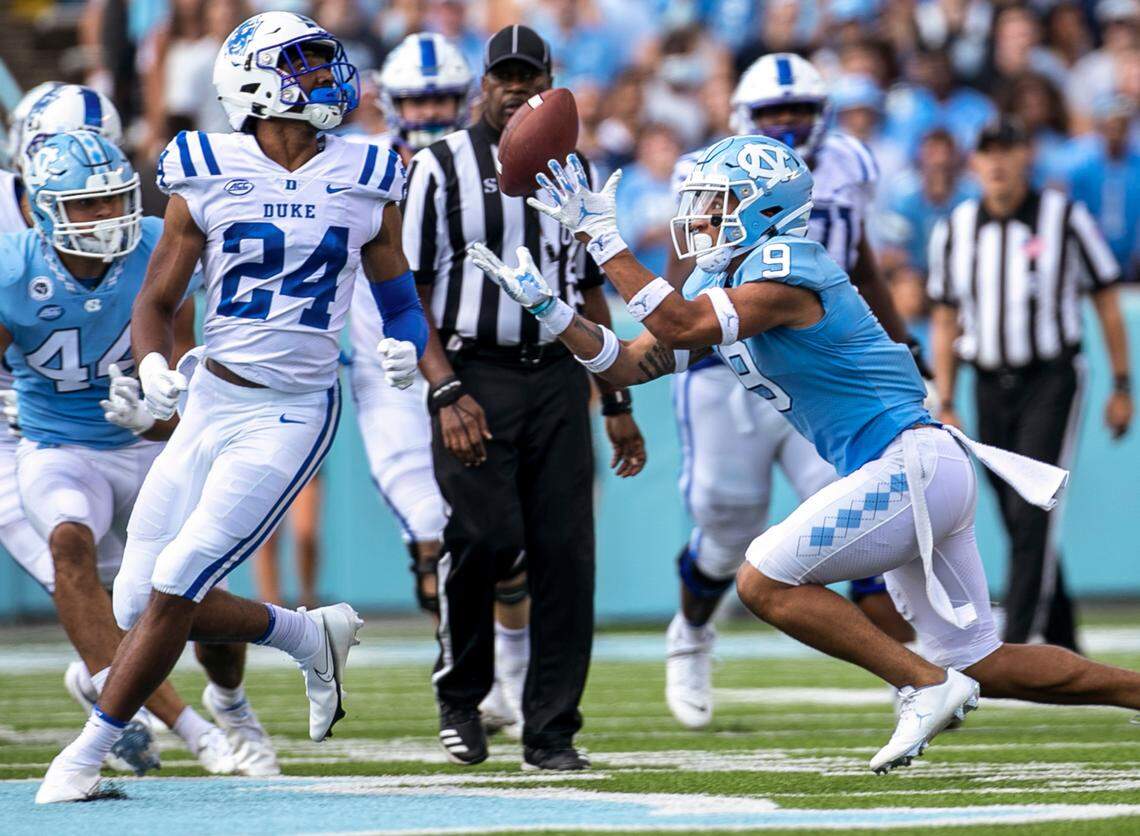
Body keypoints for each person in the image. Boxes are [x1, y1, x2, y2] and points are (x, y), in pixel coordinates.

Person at [470, 136, 1140, 776]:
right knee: (985, 663)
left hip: (909, 464)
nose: (699, 215)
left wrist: (604, 240)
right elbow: (629, 364)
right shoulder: (733, 275)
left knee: (762, 580)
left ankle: (923, 684)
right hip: (921, 469)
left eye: (717, 201)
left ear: (761, 206)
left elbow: (680, 324)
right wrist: (551, 311)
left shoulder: (789, 267)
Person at [36, 11, 427, 803]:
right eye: (305, 64)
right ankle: (307, 633)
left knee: (179, 578)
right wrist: (153, 364)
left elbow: (400, 297)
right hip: (213, 396)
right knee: (136, 599)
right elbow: (157, 299)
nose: (327, 77)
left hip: (293, 411)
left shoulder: (368, 170)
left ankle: (83, 753)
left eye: (324, 61)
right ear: (255, 79)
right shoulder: (205, 166)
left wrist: (405, 343)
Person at [402, 24, 645, 771]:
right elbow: (405, 293)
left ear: (548, 84)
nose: (515, 89)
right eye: (503, 76)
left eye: (528, 76)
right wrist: (443, 389)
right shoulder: (439, 167)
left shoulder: (569, 167)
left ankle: (552, 731)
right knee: (481, 535)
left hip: (557, 374)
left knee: (567, 554)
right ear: (483, 85)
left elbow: (589, 291)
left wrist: (617, 402)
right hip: (474, 372)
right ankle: (460, 694)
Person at [659, 53, 917, 730]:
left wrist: (901, 343)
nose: (786, 123)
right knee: (727, 521)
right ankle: (689, 635)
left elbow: (858, 259)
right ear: (746, 117)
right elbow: (684, 275)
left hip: (815, 370)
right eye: (773, 113)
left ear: (822, 112)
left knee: (860, 519)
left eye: (797, 110)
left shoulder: (851, 163)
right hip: (731, 362)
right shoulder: (702, 169)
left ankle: (911, 676)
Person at [1, 130, 242, 777]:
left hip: (145, 448)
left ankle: (232, 704)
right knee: (68, 544)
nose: (105, 217)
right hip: (58, 448)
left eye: (112, 201)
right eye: (86, 205)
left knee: (201, 582)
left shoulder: (155, 245)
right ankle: (153, 726)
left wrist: (158, 415)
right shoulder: (13, 267)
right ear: (47, 208)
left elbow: (188, 393)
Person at [929, 119, 1133, 651]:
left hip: (1052, 378)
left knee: (1034, 506)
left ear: (1027, 158)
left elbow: (1106, 299)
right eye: (987, 152)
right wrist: (946, 399)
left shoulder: (1063, 218)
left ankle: (1014, 642)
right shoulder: (956, 227)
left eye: (1007, 151)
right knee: (1014, 513)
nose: (997, 163)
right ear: (974, 163)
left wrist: (1121, 383)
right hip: (987, 382)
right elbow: (947, 316)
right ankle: (1064, 637)